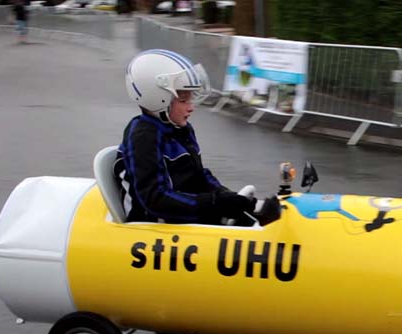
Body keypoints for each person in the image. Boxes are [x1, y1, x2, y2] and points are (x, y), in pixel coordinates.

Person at [116, 49, 280, 225]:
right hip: (151, 224)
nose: (191, 107)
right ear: (158, 98)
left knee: (260, 217)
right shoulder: (143, 136)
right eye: (183, 100)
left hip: (179, 218)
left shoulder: (181, 129)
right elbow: (155, 200)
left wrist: (227, 197)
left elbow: (199, 177)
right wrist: (216, 204)